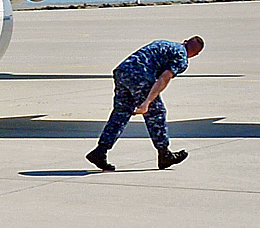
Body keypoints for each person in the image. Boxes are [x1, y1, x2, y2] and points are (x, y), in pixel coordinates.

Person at [87, 35, 203, 171]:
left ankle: (100, 151)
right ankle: (164, 153)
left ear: (185, 41)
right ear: (195, 54)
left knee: (121, 113)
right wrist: (147, 102)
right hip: (139, 75)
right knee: (156, 112)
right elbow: (164, 78)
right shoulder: (181, 58)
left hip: (123, 71)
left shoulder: (166, 44)